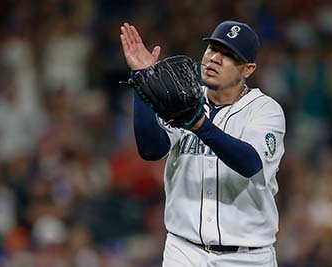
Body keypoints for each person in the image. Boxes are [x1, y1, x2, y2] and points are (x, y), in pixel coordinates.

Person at [120, 20, 285, 267]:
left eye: (228, 55)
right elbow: (152, 150)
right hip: (183, 252)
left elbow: (251, 163)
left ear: (248, 69)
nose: (215, 59)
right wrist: (142, 79)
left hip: (247, 257)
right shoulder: (184, 99)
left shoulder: (264, 110)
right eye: (212, 49)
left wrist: (199, 125)